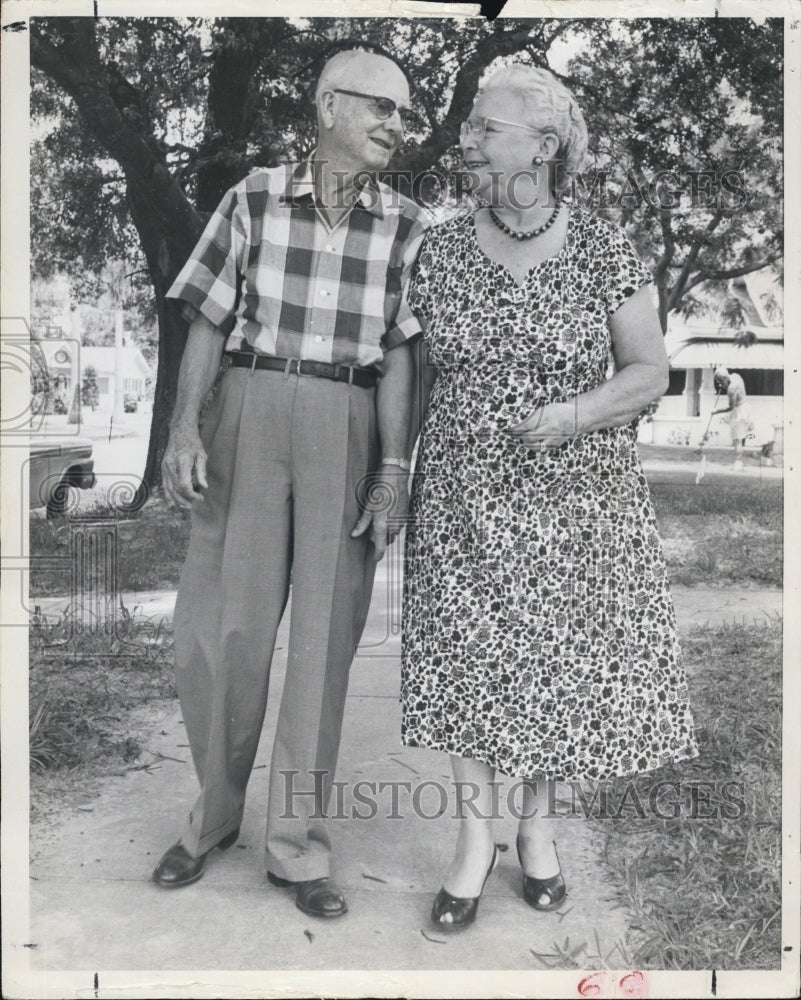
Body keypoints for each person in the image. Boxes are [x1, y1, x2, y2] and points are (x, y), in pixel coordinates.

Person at [401, 65, 698, 931]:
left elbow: (648, 371)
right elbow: (407, 375)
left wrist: (573, 414)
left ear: (545, 144)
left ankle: (536, 834)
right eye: (468, 126)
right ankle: (470, 843)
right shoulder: (441, 249)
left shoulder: (605, 248)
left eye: (486, 127)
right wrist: (390, 472)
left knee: (555, 670)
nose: (466, 139)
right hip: (461, 497)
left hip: (576, 498)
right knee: (463, 666)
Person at [152, 47, 428, 919]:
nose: (396, 125)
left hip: (347, 424)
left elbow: (401, 362)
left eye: (404, 114)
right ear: (327, 106)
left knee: (320, 646)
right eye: (380, 108)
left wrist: (391, 471)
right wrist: (183, 428)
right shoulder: (253, 197)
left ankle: (297, 849)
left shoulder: (410, 224)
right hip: (250, 409)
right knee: (219, 633)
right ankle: (211, 820)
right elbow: (205, 322)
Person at [712, 366, 754, 471]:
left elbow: (731, 407)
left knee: (737, 440)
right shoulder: (736, 376)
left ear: (724, 378)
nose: (720, 384)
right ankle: (739, 462)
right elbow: (732, 387)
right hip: (745, 406)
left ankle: (738, 464)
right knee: (740, 438)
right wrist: (724, 385)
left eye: (720, 381)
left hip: (739, 411)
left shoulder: (731, 389)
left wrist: (716, 411)